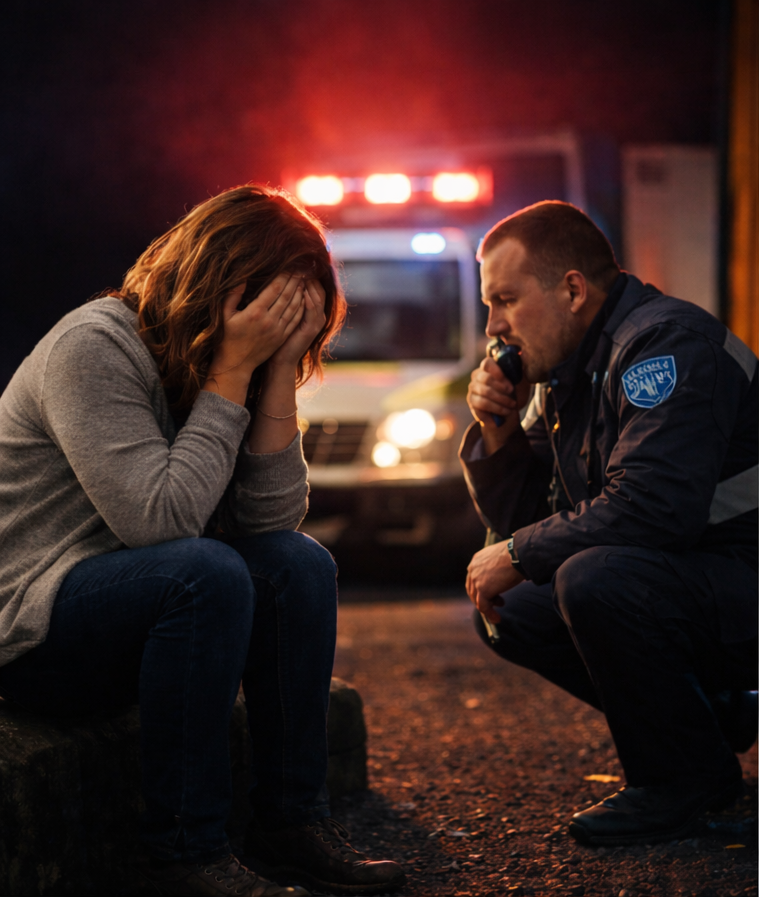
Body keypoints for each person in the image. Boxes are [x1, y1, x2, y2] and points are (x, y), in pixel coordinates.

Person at [0, 185, 405, 897]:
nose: (284, 328)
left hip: (136, 610)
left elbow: (273, 524)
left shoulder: (231, 363)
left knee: (299, 566)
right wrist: (232, 373)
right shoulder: (93, 346)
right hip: (33, 629)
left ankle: (288, 825)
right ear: (221, 281)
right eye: (273, 309)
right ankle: (184, 853)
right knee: (203, 571)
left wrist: (276, 372)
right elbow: (160, 523)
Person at [461, 200, 757, 846]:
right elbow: (521, 518)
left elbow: (653, 507)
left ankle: (682, 782)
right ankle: (711, 716)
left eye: (505, 300)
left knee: (596, 576)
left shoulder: (662, 345)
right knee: (516, 602)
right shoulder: (571, 372)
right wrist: (499, 429)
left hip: (742, 568)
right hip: (702, 577)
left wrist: (517, 549)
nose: (494, 327)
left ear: (571, 289)